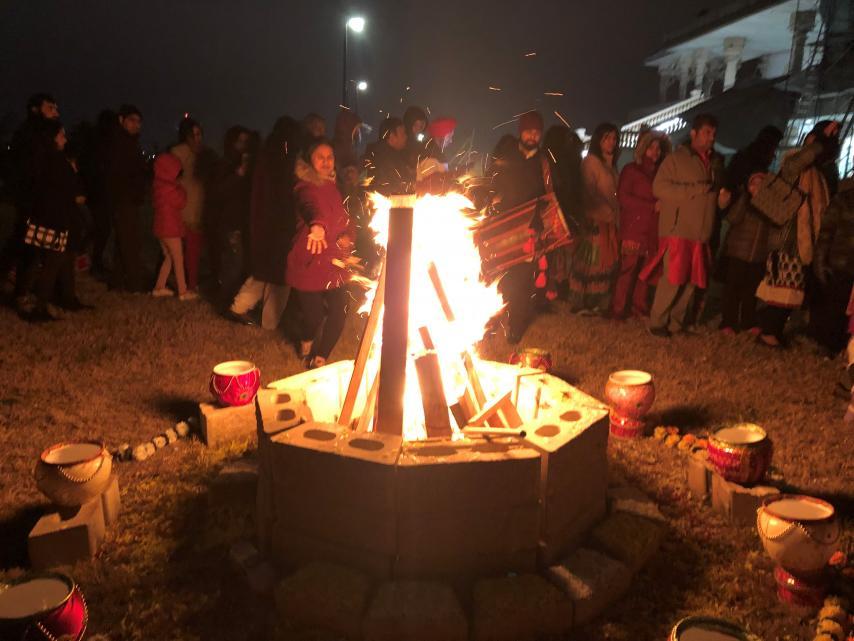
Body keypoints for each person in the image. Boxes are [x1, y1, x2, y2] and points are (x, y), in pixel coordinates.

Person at [641, 113, 730, 337]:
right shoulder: (676, 159)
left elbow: (712, 194)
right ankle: (657, 322)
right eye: (707, 132)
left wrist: (722, 201)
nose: (711, 137)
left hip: (702, 231)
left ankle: (676, 323)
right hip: (678, 229)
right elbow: (659, 188)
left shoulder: (714, 163)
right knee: (673, 278)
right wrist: (694, 190)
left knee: (691, 280)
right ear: (694, 133)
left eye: (714, 134)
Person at [756, 120, 839, 347]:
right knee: (783, 288)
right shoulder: (793, 163)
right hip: (788, 237)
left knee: (793, 289)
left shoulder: (819, 173)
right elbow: (805, 158)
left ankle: (773, 331)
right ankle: (768, 333)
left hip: (802, 239)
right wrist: (820, 139)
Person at [287, 139, 354, 368]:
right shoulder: (304, 186)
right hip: (310, 261)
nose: (326, 162)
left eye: (330, 157)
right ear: (309, 160)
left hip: (334, 261)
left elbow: (345, 219)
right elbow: (310, 206)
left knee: (340, 312)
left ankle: (320, 357)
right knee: (313, 318)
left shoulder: (335, 187)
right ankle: (306, 338)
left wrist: (347, 235)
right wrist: (317, 225)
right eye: (320, 157)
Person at [227, 116, 300, 329]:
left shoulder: (269, 155)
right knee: (277, 274)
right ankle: (267, 321)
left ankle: (239, 308)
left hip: (266, 223)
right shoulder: (280, 159)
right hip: (277, 224)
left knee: (265, 272)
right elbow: (280, 194)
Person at [490, 110, 550, 343]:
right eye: (529, 131)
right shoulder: (506, 155)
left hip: (528, 228)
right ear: (521, 132)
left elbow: (547, 193)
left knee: (523, 278)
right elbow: (492, 182)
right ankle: (492, 321)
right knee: (500, 275)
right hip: (503, 226)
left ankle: (515, 325)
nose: (533, 136)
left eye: (537, 132)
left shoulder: (543, 162)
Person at [19, 121, 85, 321]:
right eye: (61, 135)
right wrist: (72, 174)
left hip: (41, 217)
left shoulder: (41, 159)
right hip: (56, 219)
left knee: (39, 260)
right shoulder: (58, 162)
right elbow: (72, 191)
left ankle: (25, 299)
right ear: (53, 138)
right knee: (52, 264)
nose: (65, 138)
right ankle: (39, 308)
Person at [1, 93, 61, 300]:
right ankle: (19, 293)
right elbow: (30, 169)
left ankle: (17, 288)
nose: (56, 112)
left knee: (22, 242)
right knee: (27, 244)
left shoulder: (42, 134)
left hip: (36, 196)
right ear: (36, 109)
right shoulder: (30, 135)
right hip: (32, 197)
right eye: (50, 108)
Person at [611, 130, 670, 319]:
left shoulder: (660, 175)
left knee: (645, 271)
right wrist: (651, 206)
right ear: (643, 148)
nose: (655, 152)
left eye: (658, 149)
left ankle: (639, 307)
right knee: (628, 270)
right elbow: (624, 198)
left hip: (651, 230)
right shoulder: (631, 170)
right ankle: (618, 309)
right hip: (633, 229)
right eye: (651, 147)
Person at [568, 123, 621, 314]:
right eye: (607, 138)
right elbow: (587, 192)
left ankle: (598, 302)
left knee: (604, 262)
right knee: (590, 262)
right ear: (599, 139)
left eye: (614, 138)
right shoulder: (591, 162)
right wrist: (603, 211)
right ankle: (581, 301)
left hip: (609, 222)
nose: (611, 142)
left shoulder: (612, 165)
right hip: (594, 221)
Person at [103, 104, 147, 292]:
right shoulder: (118, 143)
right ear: (121, 120)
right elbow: (118, 173)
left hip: (128, 198)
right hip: (123, 199)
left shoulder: (130, 143)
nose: (136, 125)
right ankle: (135, 283)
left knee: (124, 240)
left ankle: (116, 280)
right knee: (130, 241)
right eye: (132, 120)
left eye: (139, 121)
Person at [719, 172, 770, 335]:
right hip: (738, 252)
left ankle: (748, 322)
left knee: (751, 291)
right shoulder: (744, 201)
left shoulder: (770, 206)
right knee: (732, 289)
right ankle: (728, 322)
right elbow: (732, 218)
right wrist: (743, 199)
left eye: (761, 183)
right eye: (753, 183)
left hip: (759, 255)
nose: (756, 187)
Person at [207, 125, 252, 304]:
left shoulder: (248, 164)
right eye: (239, 141)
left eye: (245, 142)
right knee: (234, 262)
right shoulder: (225, 164)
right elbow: (218, 192)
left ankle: (232, 299)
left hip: (243, 221)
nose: (242, 145)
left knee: (239, 263)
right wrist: (238, 174)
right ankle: (225, 300)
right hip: (229, 222)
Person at [809, 178, 854, 355]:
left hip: (841, 261)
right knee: (836, 306)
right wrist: (820, 261)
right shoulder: (843, 200)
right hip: (841, 264)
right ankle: (829, 344)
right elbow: (826, 232)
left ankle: (843, 343)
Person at [151, 152, 194, 299]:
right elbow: (181, 202)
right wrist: (181, 189)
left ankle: (159, 286)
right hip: (171, 229)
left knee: (168, 257)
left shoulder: (158, 186)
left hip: (161, 229)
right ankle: (183, 291)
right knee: (178, 258)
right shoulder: (171, 189)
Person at [171, 117, 205, 294]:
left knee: (193, 249)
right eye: (194, 134)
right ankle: (183, 282)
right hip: (183, 205)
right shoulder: (178, 153)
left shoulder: (203, 155)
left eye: (199, 134)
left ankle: (191, 282)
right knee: (178, 249)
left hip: (198, 205)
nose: (197, 138)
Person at [364, 117, 414, 196]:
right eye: (403, 133)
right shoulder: (385, 160)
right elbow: (398, 188)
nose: (406, 136)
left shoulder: (375, 154)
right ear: (391, 137)